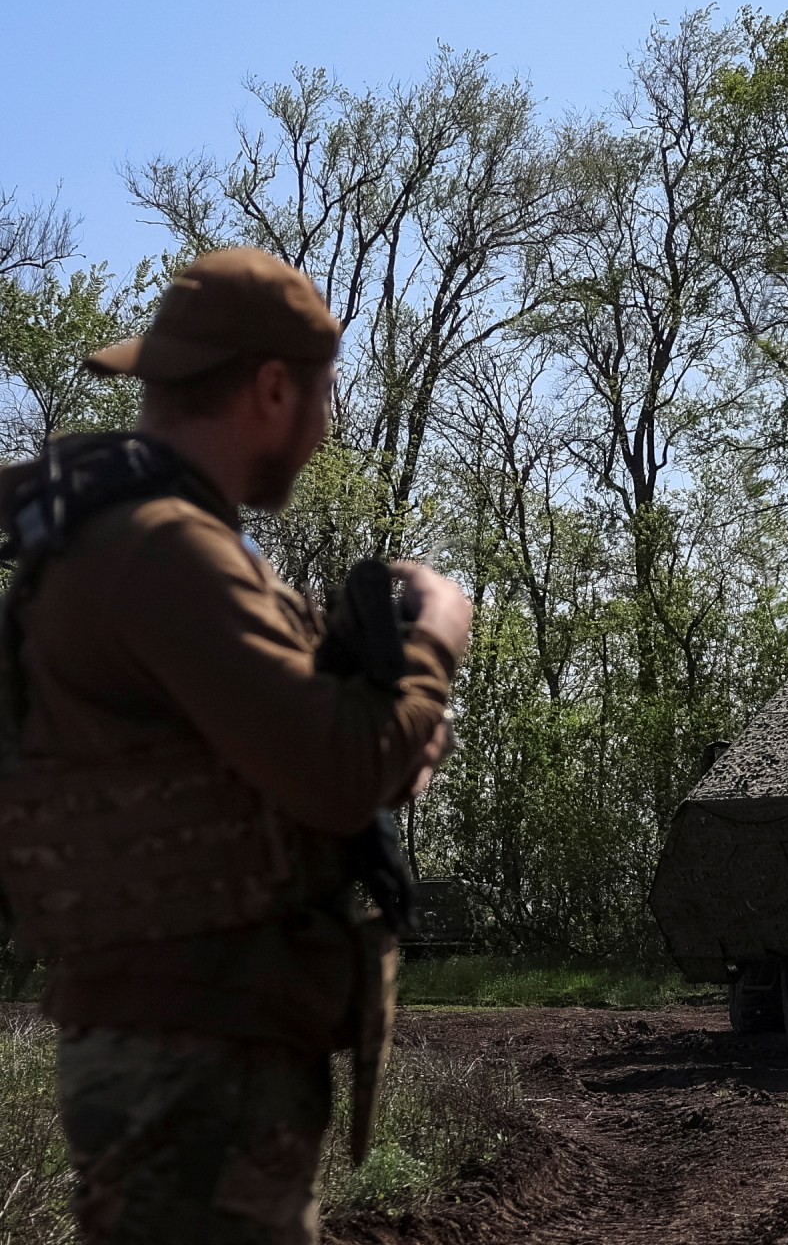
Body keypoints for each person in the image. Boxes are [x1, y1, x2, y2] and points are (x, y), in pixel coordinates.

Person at [0, 247, 473, 1243]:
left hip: (197, 1046)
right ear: (272, 389)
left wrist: (393, 725)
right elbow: (339, 774)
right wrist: (438, 635)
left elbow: (332, 759)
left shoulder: (160, 545)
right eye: (324, 397)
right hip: (192, 1064)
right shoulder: (163, 552)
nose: (325, 425)